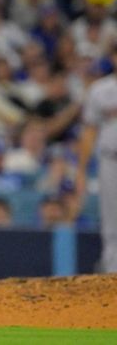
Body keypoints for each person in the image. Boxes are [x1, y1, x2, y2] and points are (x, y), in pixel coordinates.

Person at [73, 43, 117, 273]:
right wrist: (81, 169)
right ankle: (113, 277)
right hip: (110, 159)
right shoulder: (100, 89)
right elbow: (89, 131)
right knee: (112, 222)